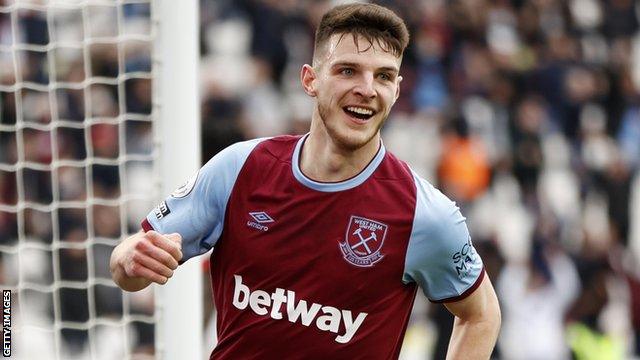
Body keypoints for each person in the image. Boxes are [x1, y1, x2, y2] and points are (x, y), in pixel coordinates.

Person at [110, 3, 501, 358]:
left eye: (383, 76)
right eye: (348, 70)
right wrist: (130, 259)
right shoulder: (241, 168)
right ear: (310, 80)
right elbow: (129, 265)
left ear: (396, 91)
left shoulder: (424, 214)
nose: (366, 89)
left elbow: (480, 314)